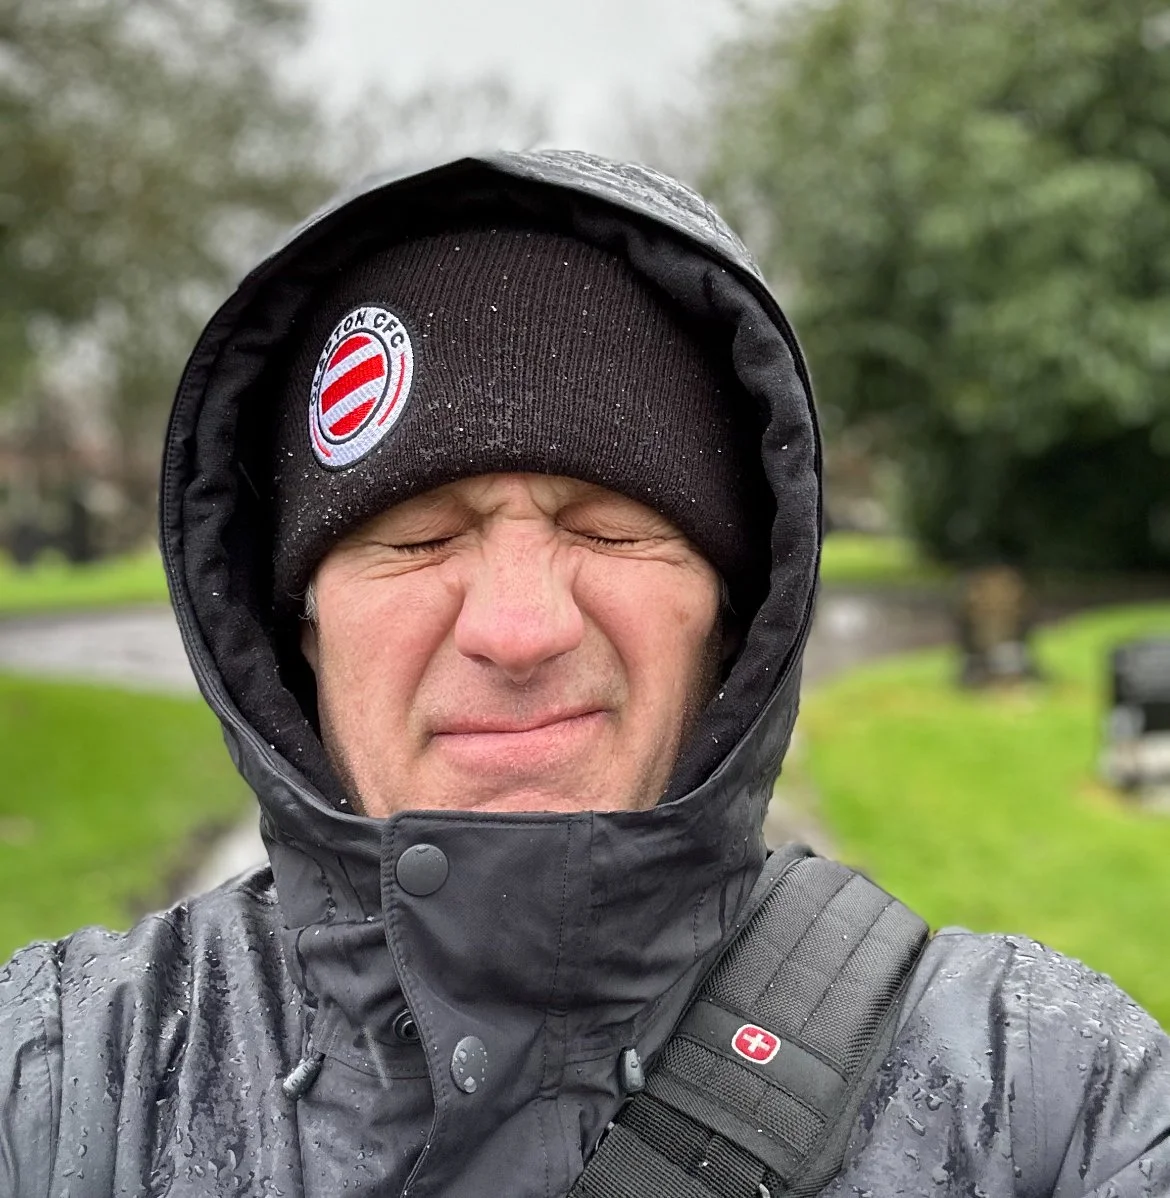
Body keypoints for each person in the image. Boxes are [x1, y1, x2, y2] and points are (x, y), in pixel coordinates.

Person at [1, 150, 1167, 1198]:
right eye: (417, 538)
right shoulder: (58, 1083)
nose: (517, 629)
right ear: (300, 625)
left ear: (732, 611)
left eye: (610, 528)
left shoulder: (1055, 1101)